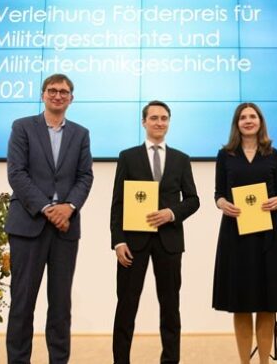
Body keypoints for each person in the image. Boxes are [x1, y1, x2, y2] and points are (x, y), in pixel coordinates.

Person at [5, 73, 94, 364]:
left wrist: (69, 207)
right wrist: (47, 208)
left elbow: (85, 176)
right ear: (43, 94)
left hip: (65, 229)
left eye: (64, 92)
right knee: (22, 303)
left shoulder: (80, 134)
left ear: (71, 98)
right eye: (52, 90)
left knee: (60, 305)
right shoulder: (22, 127)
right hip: (27, 226)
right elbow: (17, 173)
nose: (58, 95)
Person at [110, 100, 200, 364]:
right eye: (154, 118)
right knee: (126, 307)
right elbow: (118, 203)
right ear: (144, 122)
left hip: (169, 242)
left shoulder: (181, 159)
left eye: (164, 118)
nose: (159, 122)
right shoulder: (128, 157)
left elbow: (193, 200)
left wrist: (171, 213)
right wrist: (118, 241)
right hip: (132, 243)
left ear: (168, 122)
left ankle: (170, 360)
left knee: (170, 308)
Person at [213, 102, 277, 364]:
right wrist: (222, 204)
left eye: (253, 116)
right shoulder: (225, 155)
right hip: (235, 234)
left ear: (260, 121)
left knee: (267, 303)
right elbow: (218, 194)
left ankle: (264, 362)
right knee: (240, 304)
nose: (248, 121)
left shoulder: (274, 154)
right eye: (243, 117)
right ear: (236, 123)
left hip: (269, 235)